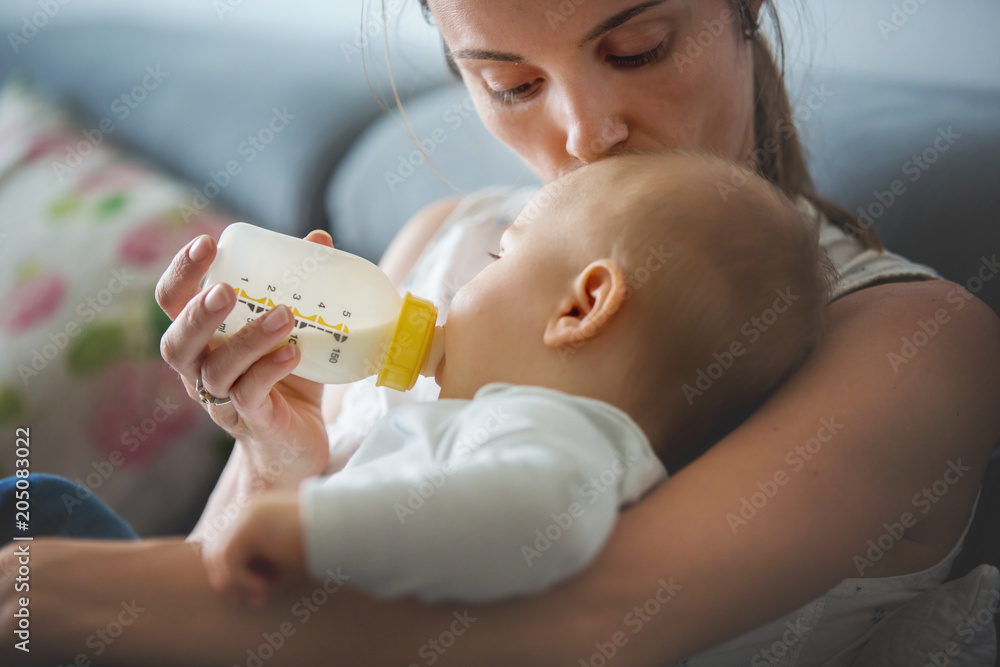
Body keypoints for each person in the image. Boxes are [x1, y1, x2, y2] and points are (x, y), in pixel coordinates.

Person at [1, 1, 998, 665]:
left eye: (637, 48)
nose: (583, 132)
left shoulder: (911, 341)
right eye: (511, 84)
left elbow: (575, 623)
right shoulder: (450, 238)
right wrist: (276, 451)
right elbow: (229, 577)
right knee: (39, 498)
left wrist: (43, 592)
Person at [201, 152, 833, 610]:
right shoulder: (515, 422)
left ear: (580, 310)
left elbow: (529, 515)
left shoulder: (561, 434)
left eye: (497, 258)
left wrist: (314, 528)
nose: (453, 290)